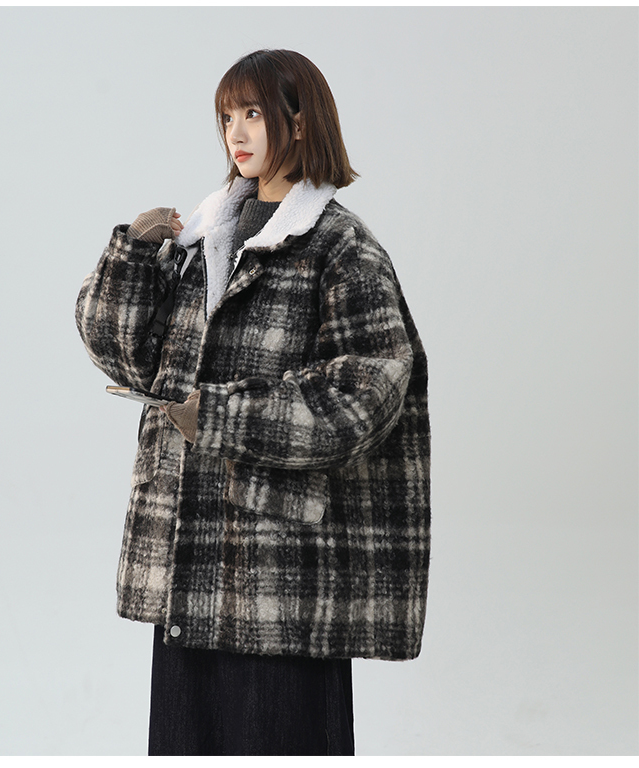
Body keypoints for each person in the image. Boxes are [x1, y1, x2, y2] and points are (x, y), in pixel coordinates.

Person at [75, 49, 431, 756]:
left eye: (253, 114)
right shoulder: (204, 236)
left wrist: (220, 416)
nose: (234, 133)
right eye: (225, 117)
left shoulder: (343, 250)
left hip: (281, 574)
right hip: (189, 562)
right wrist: (134, 259)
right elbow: (126, 356)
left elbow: (363, 399)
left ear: (299, 122)